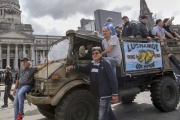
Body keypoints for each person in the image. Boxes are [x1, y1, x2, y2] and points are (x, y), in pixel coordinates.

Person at [66, 47, 119, 120]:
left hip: (105, 94)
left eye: (96, 53)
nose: (94, 55)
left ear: (101, 54)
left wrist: (115, 94)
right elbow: (84, 70)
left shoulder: (105, 64)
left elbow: (113, 79)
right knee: (108, 112)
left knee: (102, 116)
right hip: (97, 94)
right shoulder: (92, 64)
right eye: (93, 54)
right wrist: (73, 67)